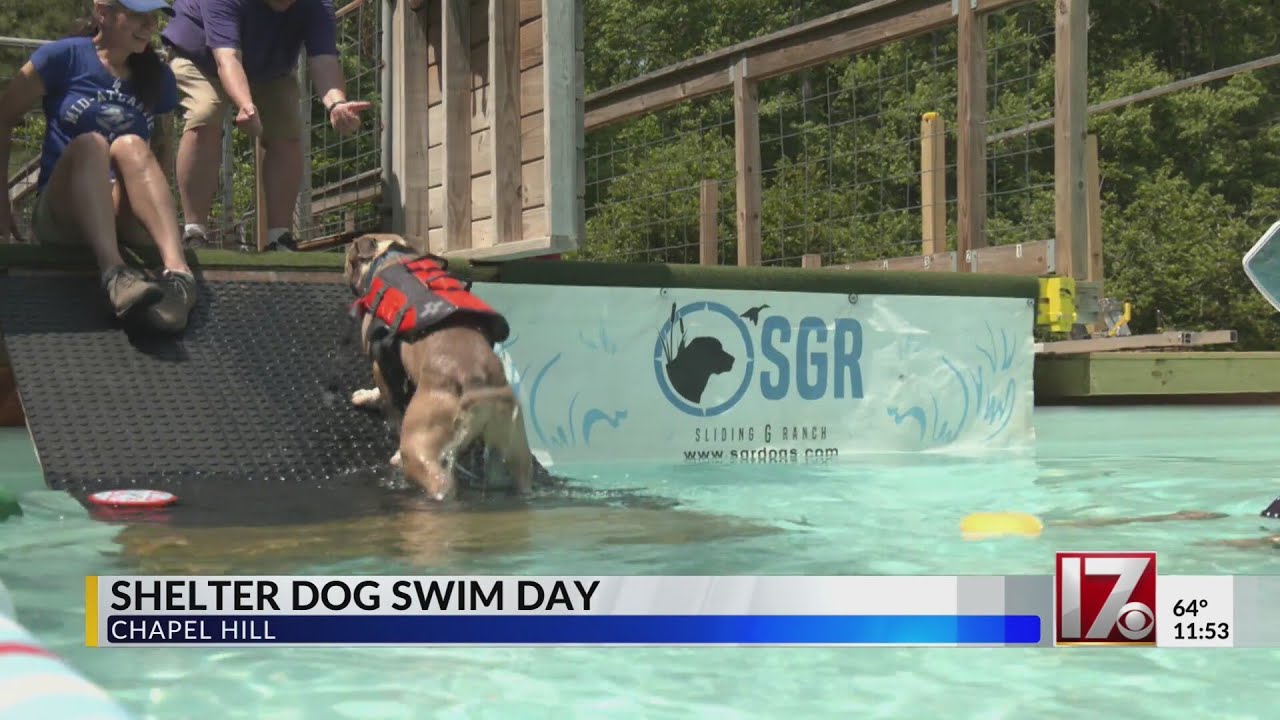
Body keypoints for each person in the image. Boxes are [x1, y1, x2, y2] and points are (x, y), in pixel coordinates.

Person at [0, 0, 199, 334]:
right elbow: (3, 116)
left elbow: (162, 145)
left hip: (124, 212)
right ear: (102, 12)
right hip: (65, 215)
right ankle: (115, 274)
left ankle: (180, 277)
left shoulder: (158, 76)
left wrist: (157, 209)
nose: (150, 25)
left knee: (132, 144)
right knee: (91, 144)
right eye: (138, 15)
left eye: (154, 18)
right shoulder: (62, 57)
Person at [160, 0, 372, 252]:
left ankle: (279, 238)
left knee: (287, 128)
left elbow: (324, 60)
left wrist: (336, 105)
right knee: (206, 111)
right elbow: (228, 60)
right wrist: (246, 106)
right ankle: (194, 232)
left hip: (268, 66)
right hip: (200, 54)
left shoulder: (317, 4)